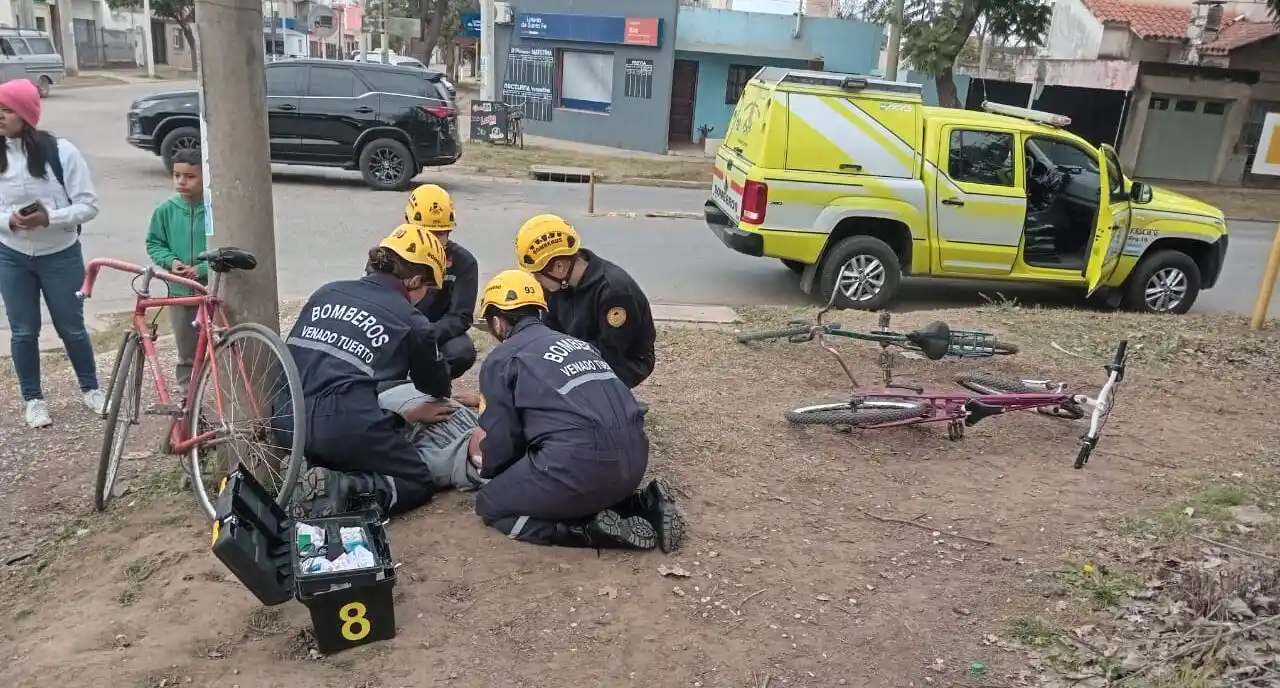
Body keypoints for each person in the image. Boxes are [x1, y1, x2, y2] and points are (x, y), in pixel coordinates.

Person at [472, 269, 685, 552]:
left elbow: (504, 442)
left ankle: (585, 531)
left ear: (497, 322)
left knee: (491, 503)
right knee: (582, 477)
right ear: (539, 310)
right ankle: (643, 503)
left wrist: (487, 464)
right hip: (633, 463)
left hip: (581, 469)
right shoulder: (578, 344)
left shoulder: (502, 359)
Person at [285, 224, 457, 516]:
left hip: (286, 420)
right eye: (429, 287)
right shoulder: (412, 320)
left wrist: (397, 418)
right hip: (343, 425)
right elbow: (437, 387)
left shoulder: (327, 291)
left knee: (349, 425)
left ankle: (310, 467)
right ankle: (343, 489)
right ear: (415, 280)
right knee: (416, 479)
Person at [0, 78, 103, 428]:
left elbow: (88, 206)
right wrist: (9, 221)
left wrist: (50, 218)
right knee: (23, 331)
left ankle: (91, 388)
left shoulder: (62, 152)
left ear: (26, 114)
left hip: (60, 253)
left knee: (71, 327)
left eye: (6, 109)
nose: (0, 115)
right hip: (11, 255)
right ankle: (33, 399)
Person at [514, 214, 656, 389]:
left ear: (559, 267)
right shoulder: (557, 286)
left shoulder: (614, 291)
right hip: (577, 348)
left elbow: (610, 352)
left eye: (537, 274)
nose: (536, 280)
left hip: (624, 360)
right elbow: (548, 333)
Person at [145, 148, 207, 387]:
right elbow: (154, 242)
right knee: (187, 355)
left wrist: (202, 269)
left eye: (190, 176)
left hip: (212, 291)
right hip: (180, 295)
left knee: (221, 348)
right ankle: (188, 402)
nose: (182, 181)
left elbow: (226, 247)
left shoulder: (216, 209)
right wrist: (171, 262)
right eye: (177, 175)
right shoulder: (165, 210)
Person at [404, 183, 478, 379]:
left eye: (440, 233)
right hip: (395, 329)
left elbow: (460, 316)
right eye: (426, 233)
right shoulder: (386, 256)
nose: (434, 241)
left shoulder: (464, 263)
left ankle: (427, 387)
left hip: (434, 332)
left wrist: (426, 336)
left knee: (462, 351)